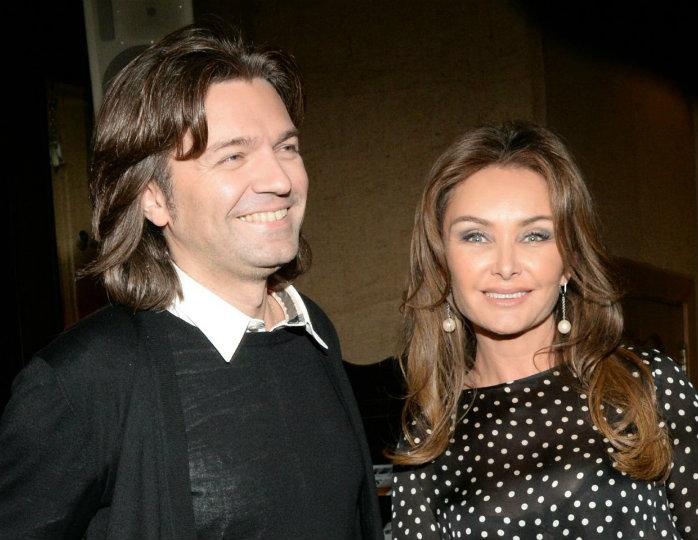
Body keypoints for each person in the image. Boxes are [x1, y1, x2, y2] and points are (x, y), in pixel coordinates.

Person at [0, 22, 381, 539]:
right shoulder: (81, 381)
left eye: (287, 147)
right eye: (233, 156)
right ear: (153, 198)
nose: (280, 180)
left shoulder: (312, 330)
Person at [390, 121, 698, 539]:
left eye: (535, 235)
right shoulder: (427, 438)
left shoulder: (648, 384)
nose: (505, 265)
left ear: (570, 260)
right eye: (476, 236)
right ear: (442, 262)